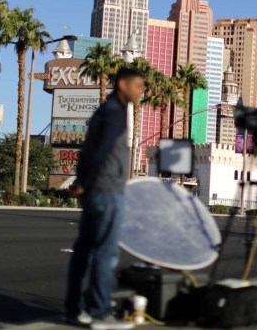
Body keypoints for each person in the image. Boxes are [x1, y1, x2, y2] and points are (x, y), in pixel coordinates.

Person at [64, 67, 144, 330]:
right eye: (137, 86)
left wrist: (81, 182)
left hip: (95, 190)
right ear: (122, 84)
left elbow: (88, 151)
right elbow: (102, 152)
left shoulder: (103, 111)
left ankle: (73, 308)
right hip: (107, 190)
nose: (140, 91)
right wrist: (85, 182)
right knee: (106, 253)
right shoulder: (116, 114)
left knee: (84, 250)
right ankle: (99, 313)